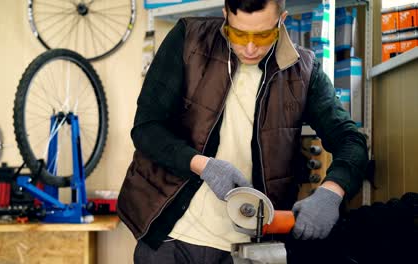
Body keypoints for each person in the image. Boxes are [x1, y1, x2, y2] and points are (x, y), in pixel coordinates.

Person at [118, 0, 368, 263]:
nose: (250, 48)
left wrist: (332, 191)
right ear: (225, 15)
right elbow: (146, 128)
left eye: (263, 35)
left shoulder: (304, 70)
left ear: (281, 20)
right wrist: (203, 166)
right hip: (170, 239)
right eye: (238, 34)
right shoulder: (189, 39)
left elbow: (351, 140)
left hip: (249, 250)